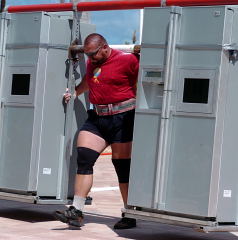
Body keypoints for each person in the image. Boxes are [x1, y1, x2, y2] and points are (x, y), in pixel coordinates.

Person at [54, 33, 139, 229]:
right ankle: (76, 211)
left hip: (123, 118)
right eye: (87, 55)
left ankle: (129, 213)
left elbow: (150, 79)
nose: (90, 58)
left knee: (122, 167)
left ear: (105, 47)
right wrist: (75, 92)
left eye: (93, 54)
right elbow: (89, 80)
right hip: (98, 117)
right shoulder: (93, 62)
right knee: (83, 158)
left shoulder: (129, 61)